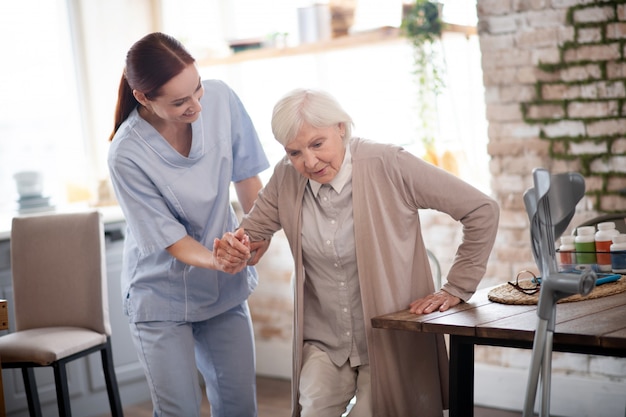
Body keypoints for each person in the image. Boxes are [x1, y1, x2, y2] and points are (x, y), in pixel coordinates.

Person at [216, 88, 500, 417]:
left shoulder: (389, 163)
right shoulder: (286, 176)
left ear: (341, 128)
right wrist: (233, 251)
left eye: (317, 144)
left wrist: (457, 287)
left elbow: (481, 210)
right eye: (294, 152)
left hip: (387, 339)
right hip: (324, 341)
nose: (308, 162)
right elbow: (249, 233)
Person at [107, 32, 269, 417]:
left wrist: (257, 233)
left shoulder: (222, 98)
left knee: (239, 407)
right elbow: (171, 240)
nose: (196, 105)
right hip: (160, 297)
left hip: (221, 292)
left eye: (197, 90)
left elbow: (247, 177)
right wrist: (221, 260)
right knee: (179, 409)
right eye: (180, 102)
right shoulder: (126, 154)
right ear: (144, 98)